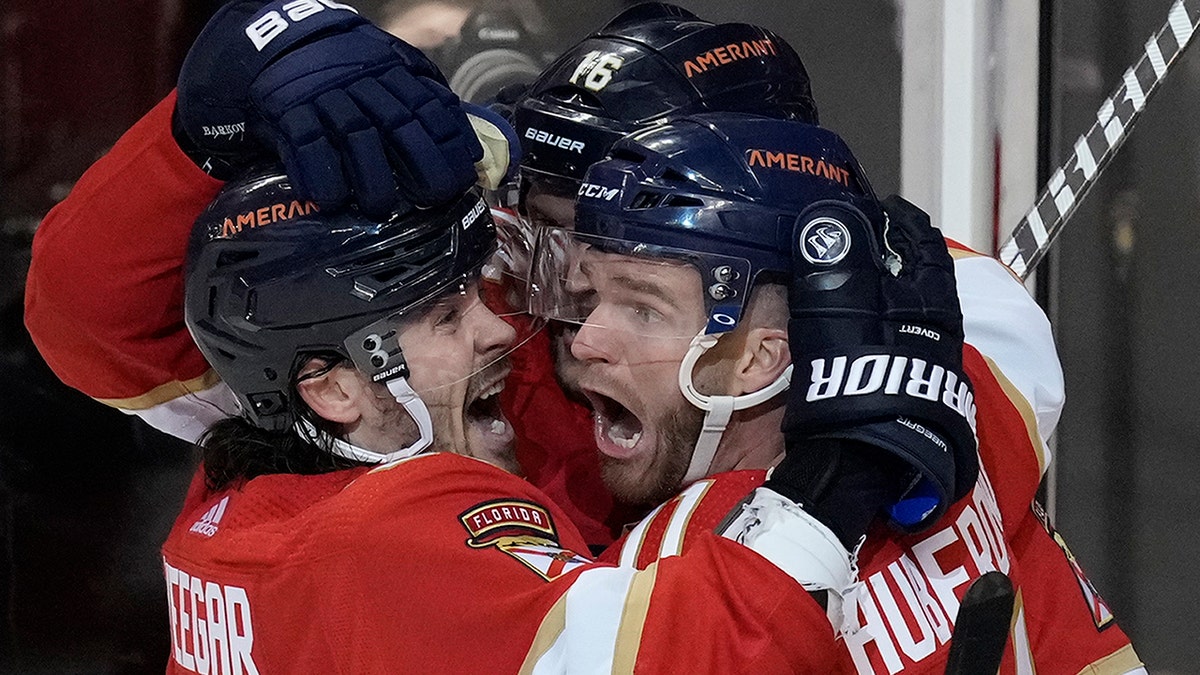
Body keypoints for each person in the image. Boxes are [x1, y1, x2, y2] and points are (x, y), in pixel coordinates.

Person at [527, 112, 1144, 674]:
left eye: (642, 307)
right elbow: (1002, 318)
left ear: (762, 358)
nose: (585, 342)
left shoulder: (686, 558)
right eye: (591, 299)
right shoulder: (972, 410)